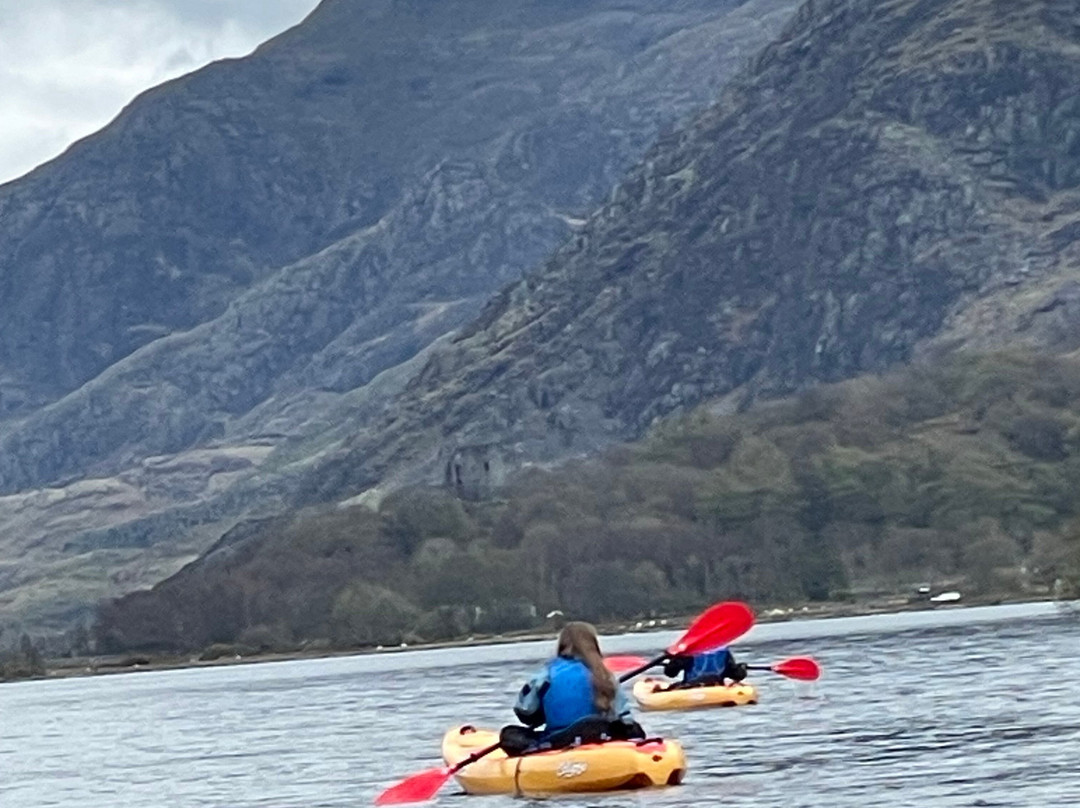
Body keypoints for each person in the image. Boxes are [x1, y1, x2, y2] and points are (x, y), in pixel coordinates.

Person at [500, 621, 645, 756]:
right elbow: (625, 718)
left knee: (509, 734)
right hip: (602, 736)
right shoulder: (605, 675)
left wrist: (543, 713)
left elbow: (525, 712)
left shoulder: (546, 674)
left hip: (559, 740)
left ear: (562, 645)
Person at [661, 647, 747, 690]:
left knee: (666, 688)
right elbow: (736, 675)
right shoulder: (723, 651)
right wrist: (742, 668)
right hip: (716, 687)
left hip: (691, 688)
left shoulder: (689, 651)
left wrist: (674, 659)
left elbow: (670, 673)